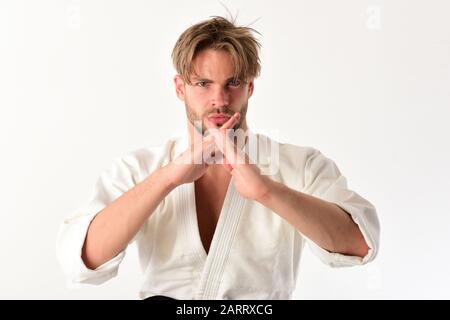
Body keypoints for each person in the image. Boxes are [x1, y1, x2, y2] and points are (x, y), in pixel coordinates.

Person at [57, 16, 380, 300]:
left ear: (250, 87)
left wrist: (266, 191)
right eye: (203, 83)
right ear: (179, 88)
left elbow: (360, 245)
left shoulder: (300, 164)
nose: (219, 99)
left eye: (233, 83)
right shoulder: (140, 167)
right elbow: (84, 260)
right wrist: (169, 177)